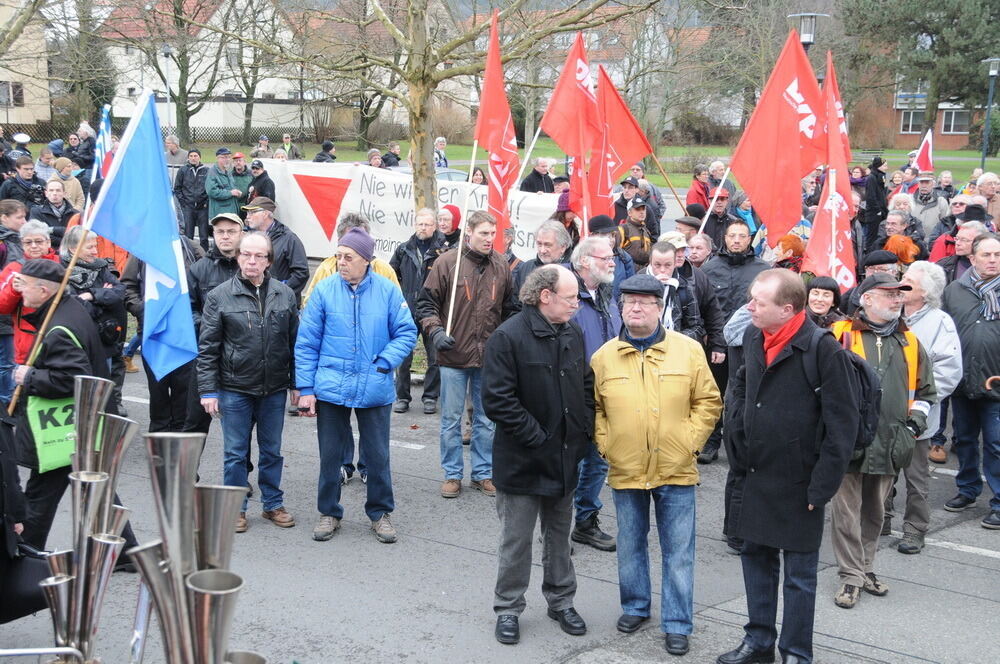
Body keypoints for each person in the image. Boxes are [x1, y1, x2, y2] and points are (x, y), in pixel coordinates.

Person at [717, 269, 857, 664]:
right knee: (755, 560)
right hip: (755, 472)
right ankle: (758, 642)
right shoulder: (753, 335)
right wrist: (737, 432)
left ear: (788, 309)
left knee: (799, 577)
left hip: (801, 481)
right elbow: (742, 383)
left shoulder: (822, 348)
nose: (749, 307)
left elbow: (842, 425)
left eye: (758, 302)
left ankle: (796, 653)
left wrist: (822, 487)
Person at [592, 273, 722, 656]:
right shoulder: (603, 357)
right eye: (628, 301)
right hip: (626, 466)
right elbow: (596, 410)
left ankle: (678, 622)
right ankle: (635, 606)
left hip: (676, 466)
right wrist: (607, 446)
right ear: (619, 308)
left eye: (644, 302)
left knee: (678, 550)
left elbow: (709, 401)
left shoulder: (688, 350)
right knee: (631, 543)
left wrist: (689, 443)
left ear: (660, 307)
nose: (635, 307)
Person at [483, 265, 594, 645]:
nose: (576, 306)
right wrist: (537, 437)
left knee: (560, 537)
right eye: (570, 298)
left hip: (564, 457)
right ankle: (508, 608)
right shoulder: (508, 336)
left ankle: (561, 601)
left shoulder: (572, 332)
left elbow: (585, 384)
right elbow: (497, 400)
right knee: (517, 540)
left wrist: (583, 431)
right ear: (545, 296)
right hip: (523, 459)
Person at [13, 259, 136, 565]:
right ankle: (125, 552)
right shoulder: (67, 309)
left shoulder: (58, 327)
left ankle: (23, 553)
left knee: (46, 490)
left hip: (64, 426)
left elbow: (70, 378)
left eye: (24, 286)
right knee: (91, 485)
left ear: (43, 290)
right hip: (79, 422)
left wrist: (28, 377)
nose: (20, 292)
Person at [298, 227, 417, 543]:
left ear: (366, 259)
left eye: (348, 257)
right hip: (331, 386)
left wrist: (383, 362)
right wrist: (306, 391)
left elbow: (406, 332)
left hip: (374, 385)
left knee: (377, 456)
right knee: (330, 455)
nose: (341, 262)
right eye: (338, 255)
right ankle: (328, 512)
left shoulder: (388, 291)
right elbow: (306, 344)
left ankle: (380, 514)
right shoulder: (323, 292)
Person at [829, 273, 936, 609]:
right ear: (867, 299)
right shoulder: (838, 335)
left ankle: (865, 569)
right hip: (848, 441)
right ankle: (850, 577)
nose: (896, 300)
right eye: (888, 294)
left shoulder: (911, 342)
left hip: (891, 442)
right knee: (846, 512)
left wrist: (913, 427)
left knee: (875, 512)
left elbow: (925, 392)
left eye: (899, 294)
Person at [197, 232, 298, 532]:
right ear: (238, 257)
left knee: (272, 451)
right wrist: (208, 390)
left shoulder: (285, 294)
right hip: (234, 389)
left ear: (269, 260)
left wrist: (298, 385)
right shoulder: (219, 296)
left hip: (274, 388)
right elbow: (208, 347)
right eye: (246, 255)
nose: (252, 261)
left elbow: (294, 344)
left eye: (259, 256)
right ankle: (235, 508)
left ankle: (272, 504)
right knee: (235, 453)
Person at [417, 210, 517, 499]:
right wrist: (435, 332)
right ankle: (452, 474)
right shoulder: (447, 262)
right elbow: (426, 304)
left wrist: (505, 342)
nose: (489, 239)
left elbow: (511, 310)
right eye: (484, 233)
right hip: (453, 355)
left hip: (489, 357)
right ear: (469, 233)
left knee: (486, 420)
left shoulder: (501, 265)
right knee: (450, 420)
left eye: (492, 233)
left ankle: (483, 473)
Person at [882, 262, 961, 554]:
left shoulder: (941, 322)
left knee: (916, 478)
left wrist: (919, 404)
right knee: (882, 471)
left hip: (919, 417)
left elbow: (948, 372)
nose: (901, 286)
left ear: (926, 293)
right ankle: (882, 518)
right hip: (886, 413)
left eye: (909, 283)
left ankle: (915, 529)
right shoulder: (891, 314)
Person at [940, 233, 1000, 528]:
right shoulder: (954, 291)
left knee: (996, 443)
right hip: (962, 381)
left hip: (996, 383)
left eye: (997, 255)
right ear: (972, 259)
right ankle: (967, 489)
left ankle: (999, 501)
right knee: (964, 439)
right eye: (986, 255)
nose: (992, 260)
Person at [565, 237, 621, 552]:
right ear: (585, 261)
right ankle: (557, 526)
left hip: (605, 393)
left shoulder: (606, 295)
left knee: (598, 461)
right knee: (568, 462)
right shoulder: (568, 297)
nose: (612, 262)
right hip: (573, 395)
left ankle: (585, 521)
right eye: (606, 257)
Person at [184, 213, 244, 435]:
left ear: (241, 233)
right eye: (220, 232)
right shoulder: (199, 269)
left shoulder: (249, 267)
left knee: (240, 431)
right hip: (206, 357)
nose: (225, 237)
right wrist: (210, 327)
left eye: (231, 231)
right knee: (194, 425)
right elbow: (188, 310)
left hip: (241, 363)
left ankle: (238, 471)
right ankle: (188, 471)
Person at [60, 226, 127, 410]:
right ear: (73, 249)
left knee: (103, 385)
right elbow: (75, 306)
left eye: (95, 246)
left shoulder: (101, 267)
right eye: (89, 247)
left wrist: (92, 294)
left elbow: (119, 292)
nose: (95, 251)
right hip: (78, 339)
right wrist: (103, 296)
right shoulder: (61, 271)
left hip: (104, 338)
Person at [390, 208, 447, 415]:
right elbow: (391, 277)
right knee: (403, 356)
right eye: (420, 224)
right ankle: (402, 397)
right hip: (407, 310)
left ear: (435, 226)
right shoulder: (403, 250)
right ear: (415, 225)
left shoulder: (443, 252)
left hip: (432, 311)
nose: (423, 228)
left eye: (427, 224)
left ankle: (430, 397)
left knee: (435, 356)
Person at [0, 221, 59, 367]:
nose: (33, 246)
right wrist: (14, 289)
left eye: (38, 241)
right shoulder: (14, 269)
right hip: (28, 343)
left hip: (59, 339)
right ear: (22, 244)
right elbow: (2, 306)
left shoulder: (63, 265)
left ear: (48, 242)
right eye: (28, 242)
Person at [241, 197, 309, 300]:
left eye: (252, 212)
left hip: (281, 306)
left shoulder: (289, 238)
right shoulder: (249, 238)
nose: (247, 217)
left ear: (265, 214)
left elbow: (302, 273)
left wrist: (281, 291)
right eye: (247, 213)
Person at [645, 241, 704, 340]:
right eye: (657, 265)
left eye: (667, 265)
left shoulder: (684, 287)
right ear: (650, 262)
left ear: (674, 264)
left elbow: (696, 327)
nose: (662, 270)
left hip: (674, 348)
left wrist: (675, 339)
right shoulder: (637, 285)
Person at [512, 220, 572, 294]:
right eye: (539, 244)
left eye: (548, 245)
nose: (542, 250)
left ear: (563, 247)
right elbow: (515, 303)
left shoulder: (573, 271)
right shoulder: (526, 268)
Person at [587, 214, 634, 298]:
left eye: (613, 235)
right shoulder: (583, 260)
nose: (611, 240)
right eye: (605, 235)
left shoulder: (624, 258)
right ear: (593, 236)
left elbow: (631, 289)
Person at [842, 250, 901, 316]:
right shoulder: (851, 295)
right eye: (871, 269)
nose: (875, 273)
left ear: (894, 272)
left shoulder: (904, 294)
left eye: (881, 269)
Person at [174, 148, 210, 250]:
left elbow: (209, 188)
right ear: (188, 158)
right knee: (188, 235)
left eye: (195, 156)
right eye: (191, 156)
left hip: (202, 207)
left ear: (200, 157)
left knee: (204, 235)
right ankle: (189, 255)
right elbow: (177, 188)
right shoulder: (183, 170)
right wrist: (183, 202)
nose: (193, 158)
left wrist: (206, 202)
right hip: (188, 207)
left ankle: (204, 256)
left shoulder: (206, 170)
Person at [28, 180, 76, 250]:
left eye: (58, 190)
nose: (54, 193)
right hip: (47, 252)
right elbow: (37, 234)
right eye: (51, 190)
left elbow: (76, 235)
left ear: (64, 193)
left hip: (71, 251)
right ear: (46, 193)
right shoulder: (36, 211)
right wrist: (64, 236)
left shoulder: (75, 213)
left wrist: (52, 229)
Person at [617, 197, 654, 270]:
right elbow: (616, 255)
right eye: (638, 209)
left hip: (644, 273)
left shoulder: (646, 231)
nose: (642, 212)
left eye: (643, 209)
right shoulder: (623, 229)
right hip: (628, 273)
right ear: (629, 213)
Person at [205, 148, 242, 218]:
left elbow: (231, 187)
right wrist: (230, 193)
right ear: (217, 158)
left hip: (231, 212)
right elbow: (211, 191)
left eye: (229, 157)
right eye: (224, 157)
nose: (227, 160)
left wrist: (236, 192)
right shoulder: (212, 172)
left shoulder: (228, 172)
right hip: (220, 213)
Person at [911, 172, 949, 237]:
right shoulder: (910, 200)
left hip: (932, 241)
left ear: (933, 184)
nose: (924, 185)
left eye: (927, 182)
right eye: (921, 182)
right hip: (913, 241)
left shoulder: (941, 202)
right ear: (918, 184)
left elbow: (945, 224)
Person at [864, 157, 890, 250]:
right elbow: (871, 196)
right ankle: (869, 255)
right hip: (874, 213)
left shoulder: (880, 176)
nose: (886, 168)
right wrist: (878, 210)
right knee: (872, 237)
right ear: (879, 166)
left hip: (881, 211)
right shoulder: (872, 178)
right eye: (885, 165)